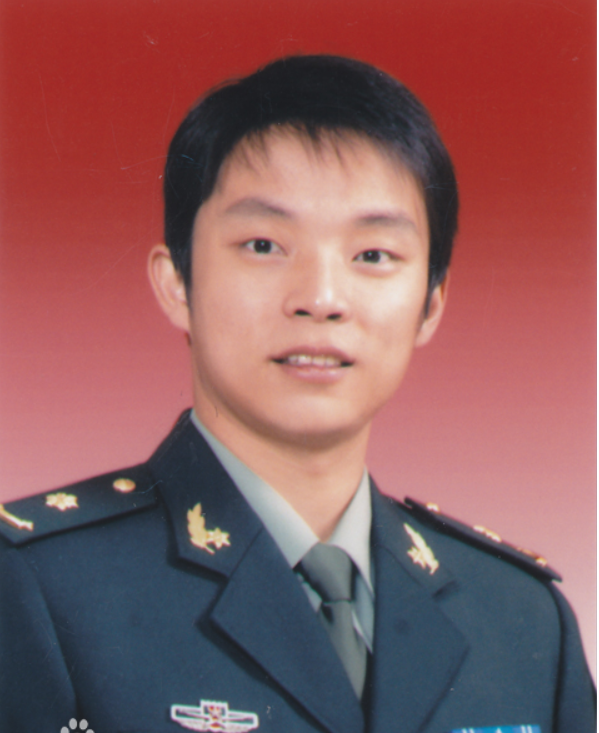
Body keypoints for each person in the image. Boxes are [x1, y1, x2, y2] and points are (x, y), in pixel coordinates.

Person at [0, 55, 594, 733]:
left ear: (430, 304)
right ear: (176, 284)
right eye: (263, 244)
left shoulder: (522, 623)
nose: (320, 298)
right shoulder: (37, 587)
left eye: (373, 255)